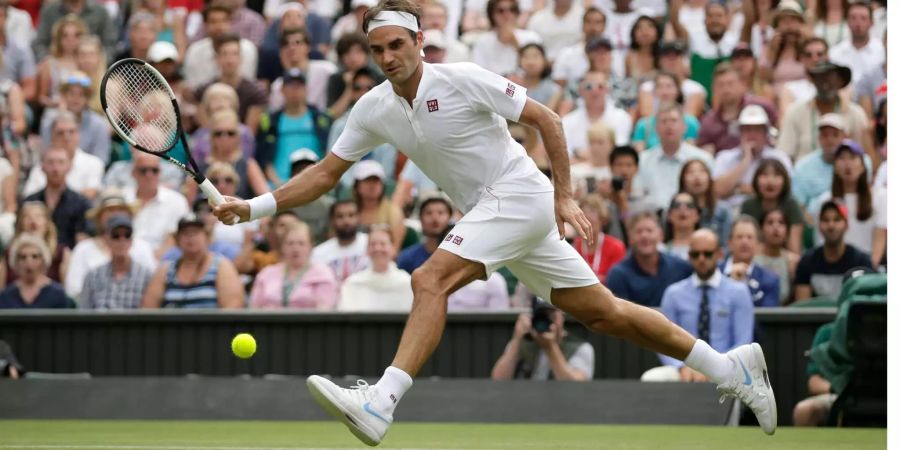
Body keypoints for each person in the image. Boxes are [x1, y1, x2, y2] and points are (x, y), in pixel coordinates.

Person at [212, 2, 778, 444]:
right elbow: (325, 176)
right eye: (377, 49)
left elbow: (548, 119)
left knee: (427, 280)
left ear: (419, 43)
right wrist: (254, 207)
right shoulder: (373, 107)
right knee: (604, 314)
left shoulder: (459, 77)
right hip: (494, 212)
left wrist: (563, 195)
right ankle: (730, 367)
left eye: (396, 45)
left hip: (521, 196)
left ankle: (381, 401)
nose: (387, 57)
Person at [641, 229, 754, 382]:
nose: (701, 259)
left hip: (727, 367)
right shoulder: (673, 293)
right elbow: (663, 340)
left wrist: (713, 368)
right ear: (689, 256)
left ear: (719, 255)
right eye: (696, 254)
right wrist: (681, 367)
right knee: (651, 379)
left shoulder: (739, 292)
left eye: (707, 254)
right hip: (685, 366)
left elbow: (743, 342)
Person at [64, 190, 156, 300]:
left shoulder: (143, 247)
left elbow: (153, 286)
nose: (115, 213)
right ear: (99, 216)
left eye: (120, 209)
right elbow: (74, 290)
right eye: (110, 210)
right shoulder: (83, 249)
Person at [141, 215, 244, 309]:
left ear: (207, 237)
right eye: (185, 233)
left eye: (195, 232)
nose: (190, 237)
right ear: (177, 239)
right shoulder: (165, 270)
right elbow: (148, 310)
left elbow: (233, 308)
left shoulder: (221, 266)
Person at [808, 140, 886, 263]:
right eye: (841, 158)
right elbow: (820, 242)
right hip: (834, 267)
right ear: (835, 167)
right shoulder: (824, 201)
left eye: (852, 157)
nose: (847, 163)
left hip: (867, 269)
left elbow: (880, 238)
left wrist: (869, 270)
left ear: (862, 165)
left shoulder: (880, 196)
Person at [713, 104, 793, 210]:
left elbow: (785, 191)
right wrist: (745, 161)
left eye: (757, 130)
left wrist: (738, 189)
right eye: (747, 130)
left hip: (768, 211)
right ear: (739, 132)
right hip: (732, 212)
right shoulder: (724, 157)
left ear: (765, 134)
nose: (752, 135)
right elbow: (717, 191)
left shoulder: (779, 158)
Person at [635, 103, 713, 212]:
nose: (669, 126)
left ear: (684, 127)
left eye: (673, 120)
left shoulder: (703, 158)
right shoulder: (642, 160)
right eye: (664, 121)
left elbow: (710, 196)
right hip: (653, 218)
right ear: (656, 129)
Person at [491, 301, 594, 381]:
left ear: (561, 317)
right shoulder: (522, 344)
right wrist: (517, 339)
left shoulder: (580, 348)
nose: (547, 322)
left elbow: (576, 388)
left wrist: (551, 348)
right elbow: (498, 380)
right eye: (543, 317)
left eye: (552, 317)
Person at [794, 199, 871, 302]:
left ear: (846, 225)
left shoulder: (861, 262)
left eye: (837, 219)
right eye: (826, 220)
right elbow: (802, 309)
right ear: (819, 226)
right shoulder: (807, 261)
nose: (831, 226)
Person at [249, 222, 338, 309]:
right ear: (282, 246)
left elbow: (324, 311)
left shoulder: (322, 274)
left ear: (311, 246)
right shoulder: (266, 273)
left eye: (301, 243)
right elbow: (254, 309)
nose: (295, 248)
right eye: (290, 243)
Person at [79, 215, 153, 310]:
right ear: (106, 239)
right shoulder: (93, 276)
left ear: (132, 240)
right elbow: (84, 313)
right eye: (115, 236)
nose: (122, 240)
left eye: (127, 235)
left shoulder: (146, 276)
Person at [22, 147, 90, 249]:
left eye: (61, 162)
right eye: (50, 162)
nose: (55, 168)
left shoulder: (81, 203)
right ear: (42, 167)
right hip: (34, 256)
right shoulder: (30, 201)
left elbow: (83, 241)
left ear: (69, 167)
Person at [337, 226, 414, 312]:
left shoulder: (406, 283)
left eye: (382, 244)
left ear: (393, 249)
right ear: (367, 250)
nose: (377, 248)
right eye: (373, 244)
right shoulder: (353, 284)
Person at [738, 159, 804, 255]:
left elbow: (794, 249)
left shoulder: (792, 205)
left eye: (776, 175)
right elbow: (743, 242)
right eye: (765, 175)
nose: (770, 181)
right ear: (756, 179)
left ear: (785, 180)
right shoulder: (748, 205)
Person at [0, 202, 69, 288]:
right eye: (27, 217)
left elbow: (67, 289)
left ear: (47, 223)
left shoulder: (60, 253)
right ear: (20, 223)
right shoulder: (9, 253)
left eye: (39, 216)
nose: (33, 221)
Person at [719, 217, 780, 308]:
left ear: (758, 244)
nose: (744, 242)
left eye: (750, 237)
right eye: (739, 237)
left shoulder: (770, 280)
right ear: (730, 243)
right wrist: (731, 281)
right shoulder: (714, 272)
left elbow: (768, 319)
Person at [0, 234, 69, 308]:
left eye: (35, 256)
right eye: (23, 257)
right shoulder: (6, 296)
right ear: (16, 262)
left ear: (43, 260)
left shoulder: (57, 294)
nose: (29, 261)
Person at [311, 200, 370, 283]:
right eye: (340, 216)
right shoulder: (318, 253)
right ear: (332, 220)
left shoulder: (372, 244)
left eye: (351, 215)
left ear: (359, 217)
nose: (346, 221)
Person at [572, 194, 625, 284]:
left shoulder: (616, 247)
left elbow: (619, 281)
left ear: (602, 218)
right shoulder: (574, 247)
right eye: (583, 212)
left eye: (592, 211)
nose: (587, 216)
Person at [678, 159, 731, 246]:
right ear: (682, 179)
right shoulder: (677, 209)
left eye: (702, 171)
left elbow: (727, 245)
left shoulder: (723, 210)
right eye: (690, 172)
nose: (696, 176)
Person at [754, 208, 800, 305]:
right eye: (770, 223)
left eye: (781, 222)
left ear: (787, 231)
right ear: (761, 230)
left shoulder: (793, 262)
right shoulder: (751, 258)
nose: (776, 227)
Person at [397, 195, 452, 274]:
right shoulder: (407, 258)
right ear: (420, 219)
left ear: (450, 218)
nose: (435, 218)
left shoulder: (459, 257)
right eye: (429, 213)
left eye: (440, 213)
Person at [663, 192, 702, 261]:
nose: (682, 208)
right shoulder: (661, 250)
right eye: (676, 205)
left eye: (689, 205)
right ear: (669, 215)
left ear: (698, 215)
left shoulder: (708, 249)